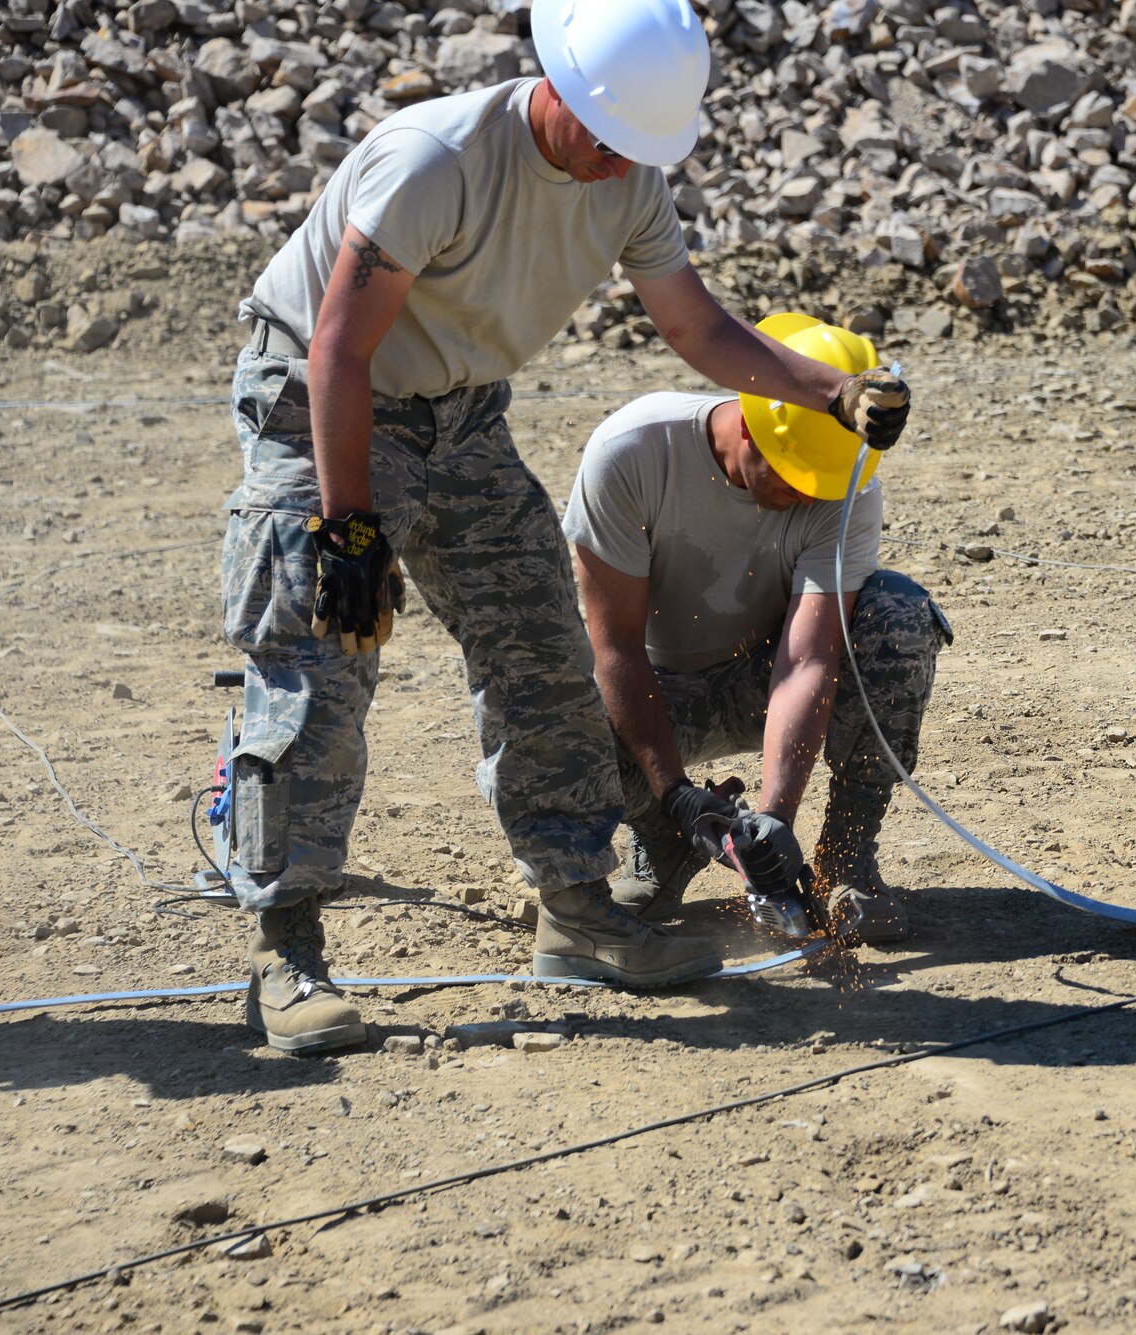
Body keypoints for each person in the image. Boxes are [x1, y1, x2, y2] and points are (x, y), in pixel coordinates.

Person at [217, 0, 912, 1054]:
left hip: (462, 417)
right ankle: (288, 954)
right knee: (323, 655)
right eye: (599, 133)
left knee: (542, 653)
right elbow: (337, 349)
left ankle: (577, 911)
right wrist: (348, 530)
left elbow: (697, 329)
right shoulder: (436, 158)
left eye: (633, 145)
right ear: (559, 86)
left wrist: (829, 393)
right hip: (322, 403)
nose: (609, 161)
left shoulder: (628, 174)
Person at [565, 314, 952, 948]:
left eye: (818, 486)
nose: (807, 498)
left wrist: (774, 821)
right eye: (794, 477)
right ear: (748, 425)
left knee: (896, 616)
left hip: (761, 680)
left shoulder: (846, 489)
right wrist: (675, 795)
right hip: (659, 691)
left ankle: (842, 860)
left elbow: (807, 661)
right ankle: (663, 839)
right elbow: (616, 649)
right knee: (548, 696)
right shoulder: (632, 453)